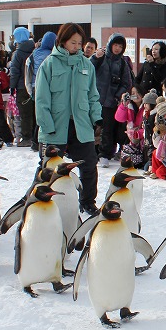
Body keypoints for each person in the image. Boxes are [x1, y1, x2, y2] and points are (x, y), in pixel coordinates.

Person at [34, 23, 102, 215]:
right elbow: (41, 99)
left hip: (81, 125)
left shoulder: (86, 65)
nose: (77, 46)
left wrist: (97, 118)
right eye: (73, 42)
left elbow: (93, 96)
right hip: (55, 126)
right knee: (48, 168)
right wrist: (47, 126)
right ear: (62, 41)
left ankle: (88, 201)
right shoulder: (49, 64)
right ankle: (37, 200)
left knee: (88, 164)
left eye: (80, 43)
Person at [92, 33, 133, 166]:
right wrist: (95, 57)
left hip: (111, 102)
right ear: (110, 45)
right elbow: (88, 68)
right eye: (115, 45)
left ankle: (105, 154)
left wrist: (118, 95)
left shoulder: (122, 63)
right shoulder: (100, 57)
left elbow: (127, 83)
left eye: (120, 46)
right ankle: (89, 152)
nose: (117, 48)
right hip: (95, 100)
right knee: (91, 127)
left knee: (108, 129)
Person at [9, 27, 36, 149]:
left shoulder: (18, 53)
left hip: (21, 87)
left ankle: (26, 138)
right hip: (35, 85)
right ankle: (36, 137)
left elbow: (14, 71)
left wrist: (12, 86)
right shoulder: (35, 49)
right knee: (35, 112)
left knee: (25, 114)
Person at [114, 86, 146, 168]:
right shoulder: (129, 106)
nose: (136, 95)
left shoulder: (146, 106)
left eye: (138, 93)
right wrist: (123, 104)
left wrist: (137, 133)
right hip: (132, 139)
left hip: (143, 139)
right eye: (133, 93)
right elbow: (119, 118)